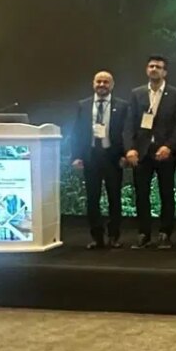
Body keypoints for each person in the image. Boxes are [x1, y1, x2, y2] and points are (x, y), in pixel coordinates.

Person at [123, 55, 176, 249]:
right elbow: (129, 123)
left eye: (158, 67)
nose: (154, 69)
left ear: (165, 72)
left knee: (166, 193)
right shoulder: (137, 93)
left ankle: (165, 234)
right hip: (142, 152)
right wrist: (130, 149)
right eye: (151, 66)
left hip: (165, 151)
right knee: (141, 194)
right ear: (146, 70)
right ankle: (144, 233)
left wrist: (169, 146)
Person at [71, 71, 129, 249]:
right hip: (91, 157)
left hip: (113, 157)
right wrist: (76, 156)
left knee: (114, 198)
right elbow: (77, 132)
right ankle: (97, 237)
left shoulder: (122, 106)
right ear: (93, 83)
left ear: (112, 85)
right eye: (99, 81)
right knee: (92, 198)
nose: (102, 85)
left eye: (106, 82)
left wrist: (125, 155)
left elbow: (126, 132)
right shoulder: (83, 105)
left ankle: (114, 236)